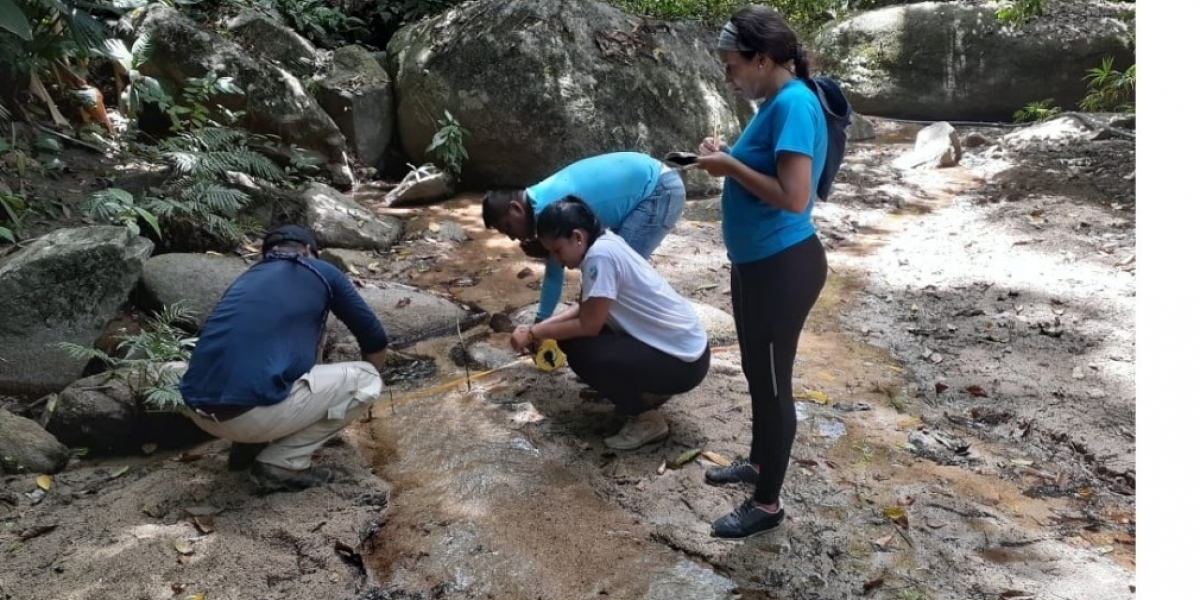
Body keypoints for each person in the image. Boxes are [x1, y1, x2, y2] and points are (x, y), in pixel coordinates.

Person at [693, 6, 830, 539]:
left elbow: (795, 198)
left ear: (763, 58)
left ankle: (767, 504)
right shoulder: (775, 101)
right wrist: (727, 155)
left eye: (732, 66)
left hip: (783, 265)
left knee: (775, 386)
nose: (729, 78)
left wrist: (727, 167)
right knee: (757, 371)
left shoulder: (794, 103)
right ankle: (757, 460)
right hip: (756, 262)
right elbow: (767, 169)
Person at [178, 225, 389, 492]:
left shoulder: (249, 277)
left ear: (267, 254)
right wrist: (368, 393)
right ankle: (281, 464)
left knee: (259, 365)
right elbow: (375, 338)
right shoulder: (321, 272)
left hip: (199, 410)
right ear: (310, 252)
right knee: (367, 379)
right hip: (247, 417)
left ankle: (246, 447)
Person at [508, 197, 710, 450]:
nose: (557, 260)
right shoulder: (605, 243)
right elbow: (585, 307)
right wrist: (538, 330)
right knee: (571, 339)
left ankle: (645, 418)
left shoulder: (600, 257)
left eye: (557, 250)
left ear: (577, 237)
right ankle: (644, 391)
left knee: (583, 352)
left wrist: (535, 331)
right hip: (686, 351)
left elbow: (588, 324)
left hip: (684, 363)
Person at [482, 151, 686, 323]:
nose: (511, 237)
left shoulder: (546, 210)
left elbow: (558, 271)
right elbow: (569, 264)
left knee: (618, 275)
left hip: (657, 190)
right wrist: (544, 322)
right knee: (606, 278)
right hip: (655, 179)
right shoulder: (539, 197)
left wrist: (542, 323)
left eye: (508, 227)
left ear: (516, 209)